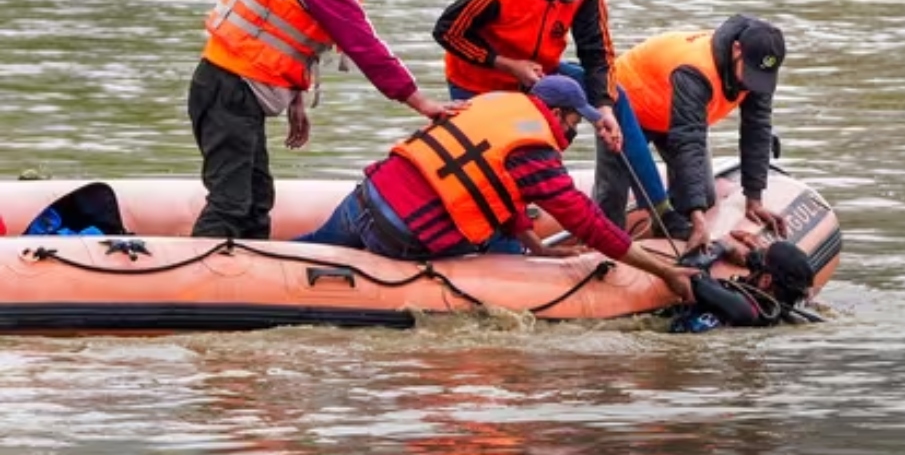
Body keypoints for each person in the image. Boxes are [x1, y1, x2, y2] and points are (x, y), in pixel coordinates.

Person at [189, 0, 458, 240]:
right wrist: (421, 102)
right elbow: (365, 47)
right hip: (228, 90)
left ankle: (246, 279)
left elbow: (283, 30)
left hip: (236, 86)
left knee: (257, 202)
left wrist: (295, 95)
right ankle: (189, 284)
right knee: (231, 203)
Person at [295, 76, 697, 302]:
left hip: (364, 198)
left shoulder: (492, 103)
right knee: (504, 251)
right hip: (401, 235)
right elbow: (588, 222)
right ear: (557, 114)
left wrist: (537, 246)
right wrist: (663, 270)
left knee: (299, 250)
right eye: (575, 122)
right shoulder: (535, 149)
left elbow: (492, 185)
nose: (574, 131)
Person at [431, 0, 692, 239]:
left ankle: (661, 212)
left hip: (539, 73)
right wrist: (508, 65)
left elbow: (597, 52)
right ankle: (499, 223)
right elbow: (447, 32)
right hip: (478, 79)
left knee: (616, 97)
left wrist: (604, 108)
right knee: (495, 157)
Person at [595, 14, 791, 251]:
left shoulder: (759, 69)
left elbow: (757, 129)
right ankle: (603, 251)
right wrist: (697, 219)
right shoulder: (697, 69)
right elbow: (689, 141)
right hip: (627, 103)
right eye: (749, 74)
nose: (752, 84)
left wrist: (754, 199)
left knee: (705, 196)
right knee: (612, 195)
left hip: (673, 112)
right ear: (737, 49)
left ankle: (666, 236)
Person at [669, 230, 820, 333]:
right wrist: (747, 254)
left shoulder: (743, 308)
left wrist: (720, 247)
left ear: (766, 280)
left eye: (762, 257)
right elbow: (759, 268)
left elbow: (689, 271)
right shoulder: (771, 313)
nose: (755, 259)